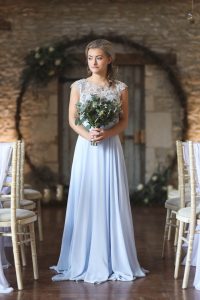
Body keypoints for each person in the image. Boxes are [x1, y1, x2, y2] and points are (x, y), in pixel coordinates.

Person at [51, 39, 146, 284]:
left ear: (109, 59)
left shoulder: (120, 88)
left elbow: (124, 122)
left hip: (110, 146)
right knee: (87, 196)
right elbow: (73, 121)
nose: (94, 62)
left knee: (109, 197)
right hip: (86, 148)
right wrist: (88, 134)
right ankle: (82, 257)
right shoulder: (78, 86)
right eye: (90, 57)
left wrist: (107, 133)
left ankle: (115, 258)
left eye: (99, 57)